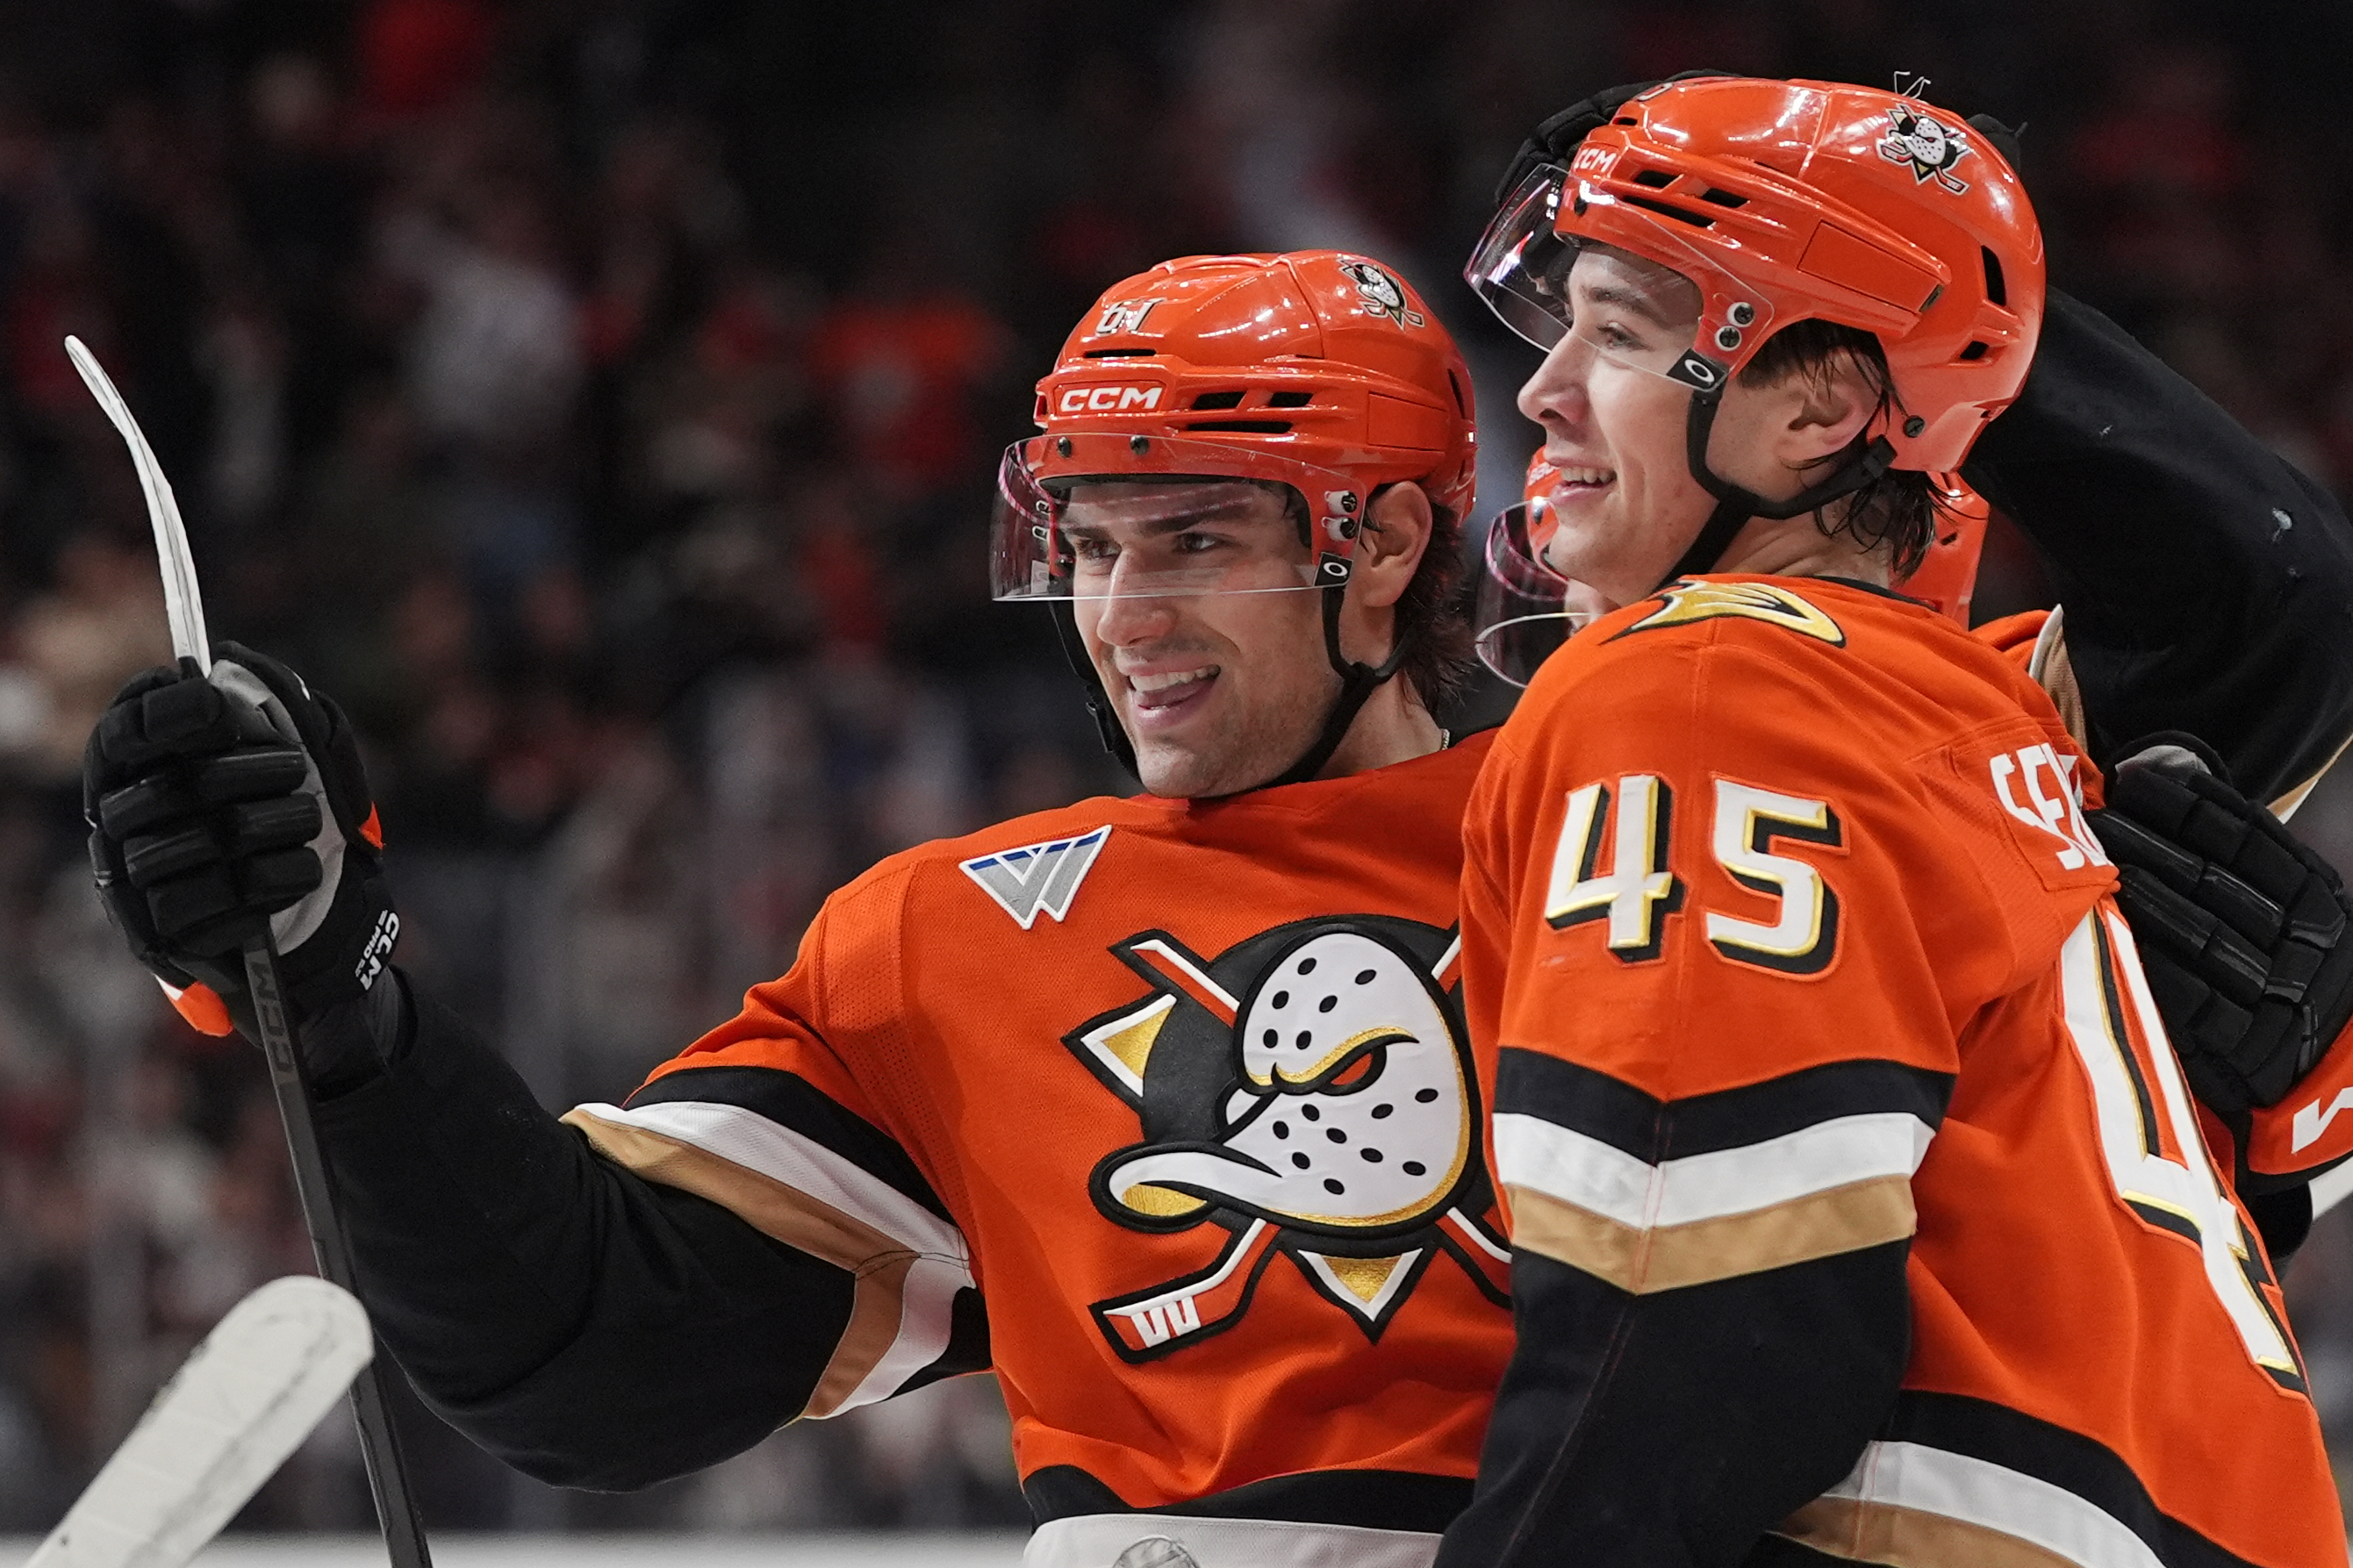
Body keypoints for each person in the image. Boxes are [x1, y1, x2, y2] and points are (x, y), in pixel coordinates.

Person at [78, 233, 2353, 1568]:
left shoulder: (1700, 758)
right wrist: (334, 992)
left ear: (1387, 542)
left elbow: (2259, 609)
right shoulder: (960, 936)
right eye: (1086, 545)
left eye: (1192, 538)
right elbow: (588, 1353)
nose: (1120, 616)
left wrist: (1886, 246)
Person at [1437, 75, 2346, 1567]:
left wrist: (1900, 260)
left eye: (1619, 331)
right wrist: (1913, 291)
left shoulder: (1705, 682)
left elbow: (1705, 1319)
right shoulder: (1969, 722)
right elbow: (2272, 592)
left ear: (1814, 412)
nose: (1539, 391)